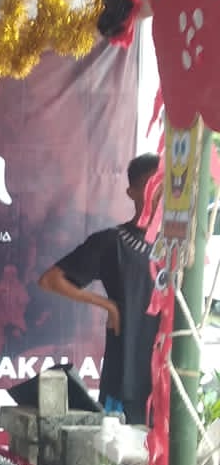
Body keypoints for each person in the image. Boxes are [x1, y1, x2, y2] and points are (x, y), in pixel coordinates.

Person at [37, 154, 160, 425]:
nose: (158, 193)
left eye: (163, 185)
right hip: (125, 374)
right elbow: (51, 280)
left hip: (166, 377)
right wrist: (109, 306)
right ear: (131, 192)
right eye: (150, 185)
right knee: (121, 446)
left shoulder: (179, 248)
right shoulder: (112, 242)